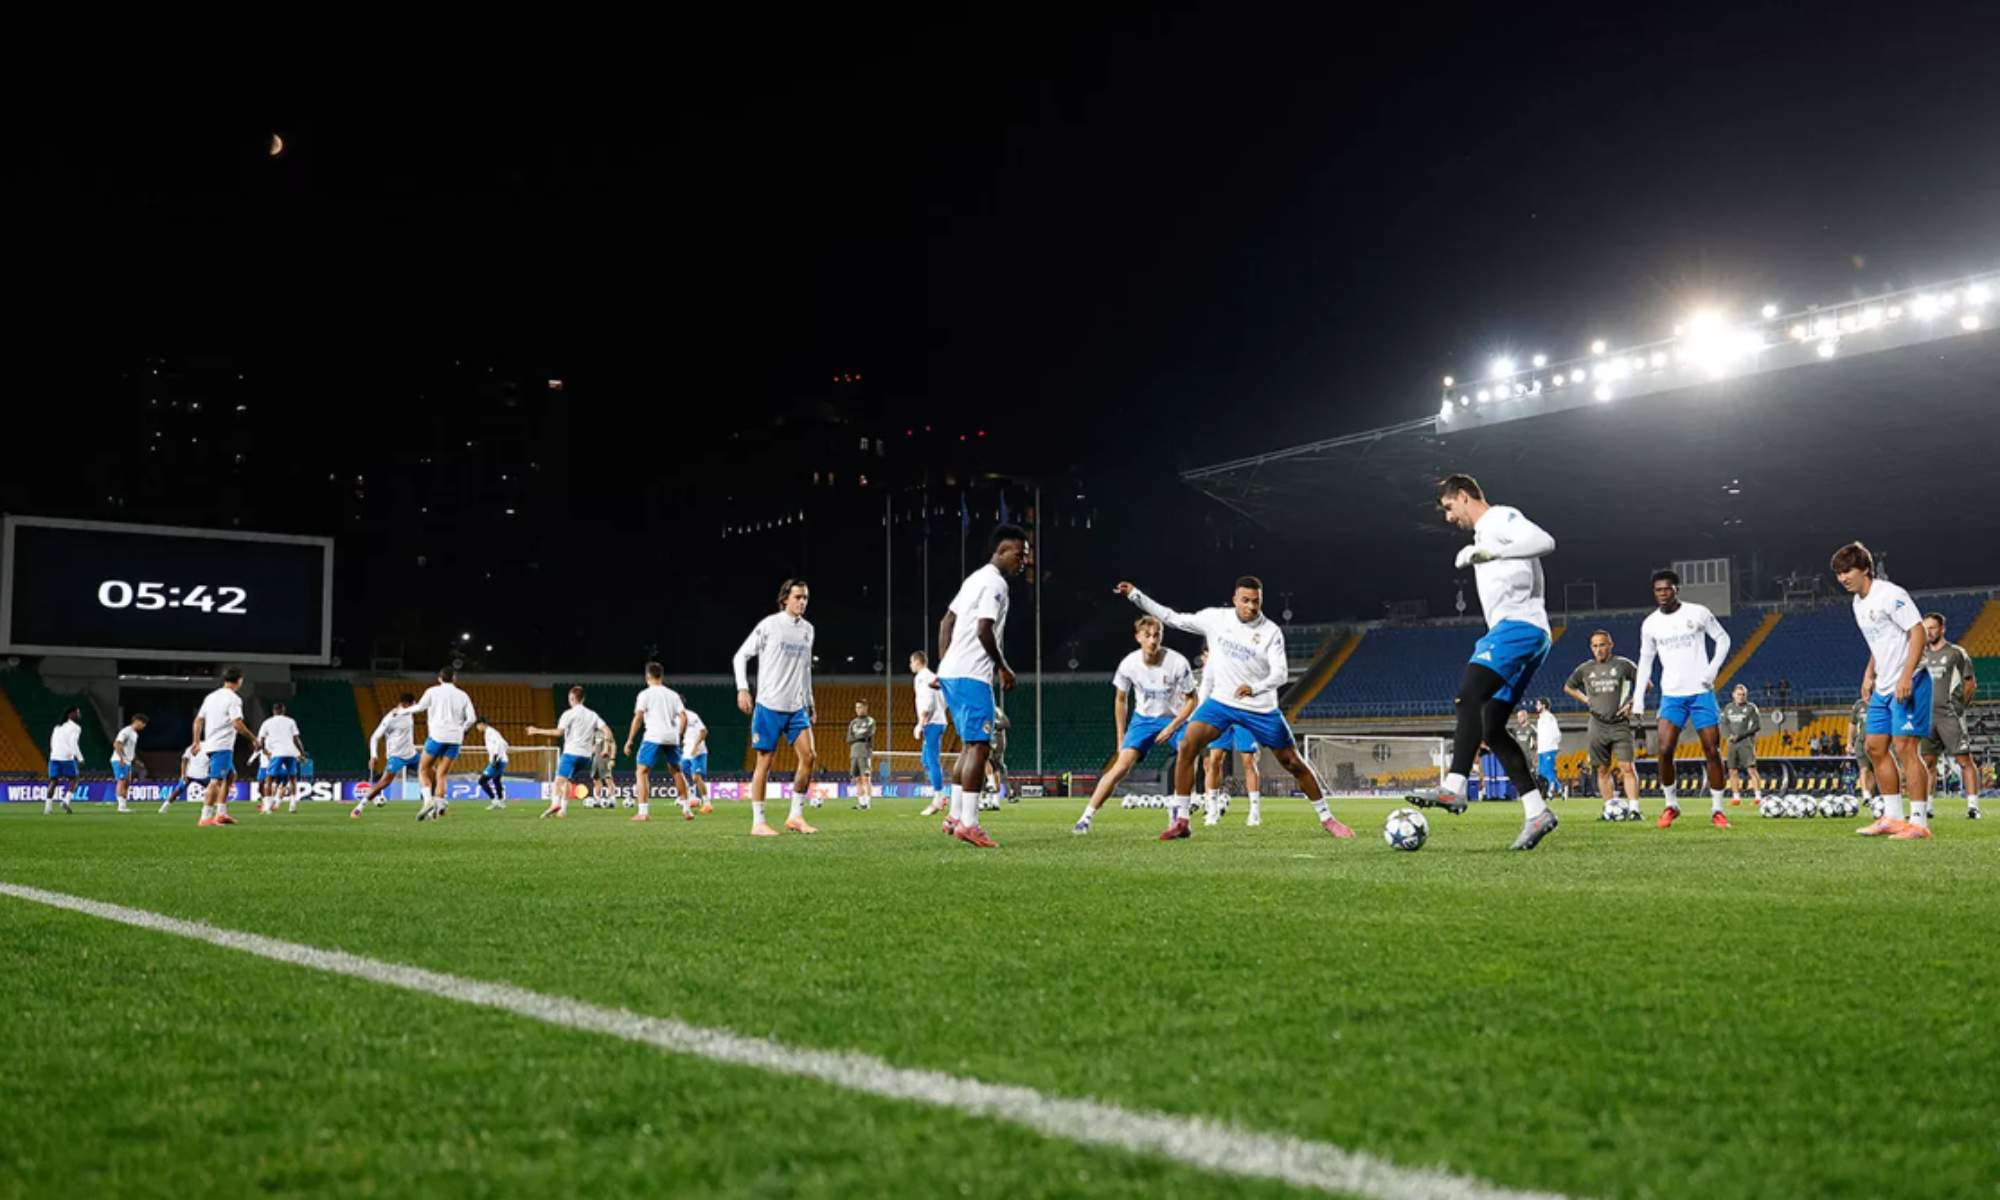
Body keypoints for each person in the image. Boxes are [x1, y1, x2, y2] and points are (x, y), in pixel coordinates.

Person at [1119, 575, 1354, 841]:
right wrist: (1135, 595)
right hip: (1221, 702)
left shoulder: (1270, 632)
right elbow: (1172, 617)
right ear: (1234, 600)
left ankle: (1327, 819)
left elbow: (1281, 674)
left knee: (1292, 762)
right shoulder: (1216, 619)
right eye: (1246, 601)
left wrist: (1254, 687)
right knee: (1187, 746)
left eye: (1257, 602)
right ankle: (1182, 821)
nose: (1252, 607)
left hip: (1260, 707)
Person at [1404, 474, 1561, 850]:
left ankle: (1455, 786)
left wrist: (1492, 553)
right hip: (1527, 631)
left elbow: (1545, 541)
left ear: (1462, 496)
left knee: (1468, 697)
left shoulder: (1500, 518)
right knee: (1490, 726)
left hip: (1518, 628)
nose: (1448, 517)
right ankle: (1537, 812)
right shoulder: (1483, 534)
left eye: (1448, 508)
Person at [934, 525, 1033, 848]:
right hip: (972, 675)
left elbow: (946, 622)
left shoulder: (974, 578)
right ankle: (970, 824)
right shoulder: (995, 583)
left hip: (953, 672)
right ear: (1002, 551)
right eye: (1020, 554)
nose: (1024, 561)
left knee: (969, 745)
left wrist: (945, 664)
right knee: (980, 746)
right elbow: (984, 630)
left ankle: (955, 817)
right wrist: (1003, 667)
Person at [1834, 541, 1932, 839]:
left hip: (1910, 679)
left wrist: (1905, 676)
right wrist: (1868, 673)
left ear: (1865, 569)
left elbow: (1917, 632)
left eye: (1847, 570)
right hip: (1883, 685)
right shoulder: (1857, 603)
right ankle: (1892, 817)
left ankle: (1919, 823)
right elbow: (1879, 643)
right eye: (1838, 573)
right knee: (1874, 747)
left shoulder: (1890, 594)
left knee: (1905, 749)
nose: (1842, 578)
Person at [1072, 615, 1197, 834]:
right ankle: (1086, 817)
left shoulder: (1177, 662)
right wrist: (1120, 737)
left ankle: (1179, 809)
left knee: (1188, 750)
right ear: (1138, 637)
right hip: (1143, 719)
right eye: (1147, 635)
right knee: (1121, 766)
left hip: (1173, 717)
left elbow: (1192, 700)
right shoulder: (1129, 664)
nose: (1153, 640)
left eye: (1157, 635)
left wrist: (1171, 727)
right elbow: (1120, 699)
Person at [1633, 569, 1733, 830]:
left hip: (1701, 692)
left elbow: (1723, 639)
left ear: (1677, 589)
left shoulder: (1697, 612)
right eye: (1658, 589)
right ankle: (1671, 804)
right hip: (1672, 695)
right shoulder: (1650, 624)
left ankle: (1718, 809)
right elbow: (1645, 661)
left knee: (1712, 750)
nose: (1663, 593)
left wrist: (1712, 670)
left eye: (1667, 589)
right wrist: (1638, 699)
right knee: (1664, 750)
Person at [733, 579, 819, 837]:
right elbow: (740, 656)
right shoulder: (769, 625)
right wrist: (742, 688)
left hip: (796, 707)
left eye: (805, 598)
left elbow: (805, 669)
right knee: (765, 762)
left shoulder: (808, 630)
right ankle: (758, 822)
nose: (802, 602)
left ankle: (795, 816)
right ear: (785, 599)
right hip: (769, 705)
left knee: (809, 757)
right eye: (797, 597)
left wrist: (810, 701)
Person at [1562, 629, 1642, 814]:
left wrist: (1632, 703)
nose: (1599, 649)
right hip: (1597, 724)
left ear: (1610, 645)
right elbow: (1568, 687)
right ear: (1591, 648)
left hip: (1620, 723)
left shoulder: (1623, 665)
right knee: (1602, 770)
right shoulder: (1585, 668)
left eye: (1602, 645)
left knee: (1627, 767)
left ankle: (1634, 809)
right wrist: (1586, 700)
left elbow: (1646, 684)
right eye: (1595, 646)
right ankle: (1609, 809)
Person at [1918, 611, 1981, 820]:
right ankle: (1927, 807)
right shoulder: (1920, 654)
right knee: (1927, 763)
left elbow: (1970, 683)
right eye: (1925, 628)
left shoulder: (1956, 652)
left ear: (1942, 629)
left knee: (1964, 760)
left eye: (1932, 628)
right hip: (1926, 718)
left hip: (1949, 716)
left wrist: (1960, 707)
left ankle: (1973, 807)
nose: (1928, 632)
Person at [1195, 648, 1263, 826]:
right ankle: (1212, 810)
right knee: (1214, 761)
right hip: (1219, 717)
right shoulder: (1201, 676)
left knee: (1248, 761)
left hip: (1243, 714)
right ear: (1203, 657)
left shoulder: (1236, 663)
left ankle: (1254, 811)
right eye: (1207, 654)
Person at [528, 686, 614, 820]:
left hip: (571, 754)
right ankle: (563, 810)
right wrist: (607, 747)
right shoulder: (592, 714)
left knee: (557, 782)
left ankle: (555, 804)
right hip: (585, 757)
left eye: (570, 698)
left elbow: (559, 732)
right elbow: (607, 731)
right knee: (567, 781)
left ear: (572, 698)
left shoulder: (568, 714)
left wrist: (537, 730)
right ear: (583, 699)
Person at [625, 662, 694, 822]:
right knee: (677, 771)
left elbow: (638, 717)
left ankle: (643, 812)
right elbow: (684, 716)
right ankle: (686, 809)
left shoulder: (645, 694)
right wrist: (680, 736)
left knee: (641, 771)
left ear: (647, 676)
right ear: (661, 676)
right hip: (672, 736)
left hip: (654, 736)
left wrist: (629, 740)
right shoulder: (673, 694)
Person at [191, 667, 260, 827]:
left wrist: (196, 741)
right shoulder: (233, 699)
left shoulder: (211, 697)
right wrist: (253, 739)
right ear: (239, 680)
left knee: (230, 776)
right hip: (222, 745)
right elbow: (237, 723)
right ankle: (205, 817)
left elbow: (198, 721)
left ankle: (221, 813)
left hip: (210, 744)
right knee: (215, 781)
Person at [410, 666, 477, 822]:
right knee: (441, 775)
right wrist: (462, 729)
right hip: (455, 739)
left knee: (423, 769)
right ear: (454, 678)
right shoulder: (463, 695)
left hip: (437, 736)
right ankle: (436, 810)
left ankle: (427, 802)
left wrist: (401, 712)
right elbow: (472, 719)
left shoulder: (432, 691)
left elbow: (419, 707)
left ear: (439, 678)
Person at [358, 692, 419, 819]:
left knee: (431, 774)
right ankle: (360, 806)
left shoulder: (410, 712)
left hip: (412, 754)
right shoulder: (390, 718)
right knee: (384, 783)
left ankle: (435, 803)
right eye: (413, 704)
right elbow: (375, 737)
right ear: (405, 704)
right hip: (396, 756)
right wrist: (373, 755)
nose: (415, 706)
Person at [911, 651, 950, 815]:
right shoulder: (934, 677)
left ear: (917, 662)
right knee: (926, 760)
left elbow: (928, 700)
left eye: (911, 662)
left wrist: (921, 723)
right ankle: (940, 794)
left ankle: (939, 797)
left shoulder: (922, 677)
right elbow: (944, 699)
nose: (910, 665)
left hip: (932, 723)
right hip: (938, 721)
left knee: (932, 761)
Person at [1719, 684, 1766, 808]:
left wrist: (1739, 735)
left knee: (1751, 769)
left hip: (1746, 743)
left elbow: (1756, 726)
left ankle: (1757, 797)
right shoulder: (1728, 708)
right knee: (1732, 770)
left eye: (1743, 694)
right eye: (1739, 694)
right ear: (1733, 695)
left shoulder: (1751, 708)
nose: (1741, 697)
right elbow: (1724, 725)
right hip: (1732, 744)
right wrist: (1728, 736)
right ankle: (1736, 798)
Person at [257, 701, 307, 814]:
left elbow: (261, 740)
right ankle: (293, 805)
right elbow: (296, 739)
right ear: (283, 710)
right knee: (293, 778)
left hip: (277, 753)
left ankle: (268, 807)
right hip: (290, 752)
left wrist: (265, 751)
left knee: (269, 779)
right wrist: (302, 753)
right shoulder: (290, 721)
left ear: (273, 711)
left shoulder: (267, 722)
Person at [45, 705, 86, 816]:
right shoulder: (76, 728)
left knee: (53, 781)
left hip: (54, 757)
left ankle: (48, 808)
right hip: (66, 758)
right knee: (75, 779)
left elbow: (52, 742)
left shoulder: (57, 727)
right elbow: (74, 744)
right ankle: (65, 801)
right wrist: (80, 758)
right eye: (77, 712)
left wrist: (54, 753)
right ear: (70, 715)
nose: (79, 714)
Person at [110, 712, 148, 814]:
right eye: (143, 724)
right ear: (137, 721)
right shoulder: (126, 731)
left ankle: (124, 805)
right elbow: (117, 743)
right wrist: (121, 758)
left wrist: (136, 761)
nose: (144, 726)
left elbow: (130, 750)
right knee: (121, 781)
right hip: (119, 760)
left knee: (127, 783)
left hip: (128, 761)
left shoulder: (135, 734)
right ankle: (120, 807)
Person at [680, 708, 713, 813]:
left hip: (697, 750)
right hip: (686, 751)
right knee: (682, 772)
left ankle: (707, 803)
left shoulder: (692, 716)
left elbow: (704, 731)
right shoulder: (673, 717)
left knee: (696, 776)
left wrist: (695, 746)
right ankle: (694, 798)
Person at [847, 699, 877, 812]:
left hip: (865, 751)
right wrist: (860, 736)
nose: (858, 710)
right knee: (858, 779)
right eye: (856, 707)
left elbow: (868, 734)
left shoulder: (870, 721)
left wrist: (858, 737)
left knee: (866, 778)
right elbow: (849, 739)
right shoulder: (853, 722)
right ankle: (861, 803)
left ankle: (868, 803)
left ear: (866, 708)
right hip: (854, 752)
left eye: (860, 707)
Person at [476, 718, 511, 810]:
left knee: (482, 781)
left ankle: (494, 801)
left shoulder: (490, 732)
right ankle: (500, 801)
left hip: (498, 761)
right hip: (502, 759)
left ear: (482, 724)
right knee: (496, 780)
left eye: (477, 726)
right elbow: (505, 744)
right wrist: (502, 754)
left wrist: (495, 757)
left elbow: (500, 743)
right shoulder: (492, 732)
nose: (477, 728)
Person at [1533, 698, 1564, 799]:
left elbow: (1557, 733)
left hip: (1549, 748)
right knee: (1542, 771)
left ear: (1544, 705)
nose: (1536, 706)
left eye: (1538, 704)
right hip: (1542, 749)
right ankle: (1560, 789)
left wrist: (1553, 744)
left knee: (1548, 771)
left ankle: (1551, 790)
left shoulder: (1549, 717)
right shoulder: (1540, 718)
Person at [1847, 693, 1875, 801]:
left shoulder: (1879, 703)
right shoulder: (1858, 705)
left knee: (1874, 771)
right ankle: (1865, 794)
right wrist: (1849, 742)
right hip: (1861, 742)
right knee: (1864, 769)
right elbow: (1852, 724)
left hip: (1877, 741)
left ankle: (1870, 794)